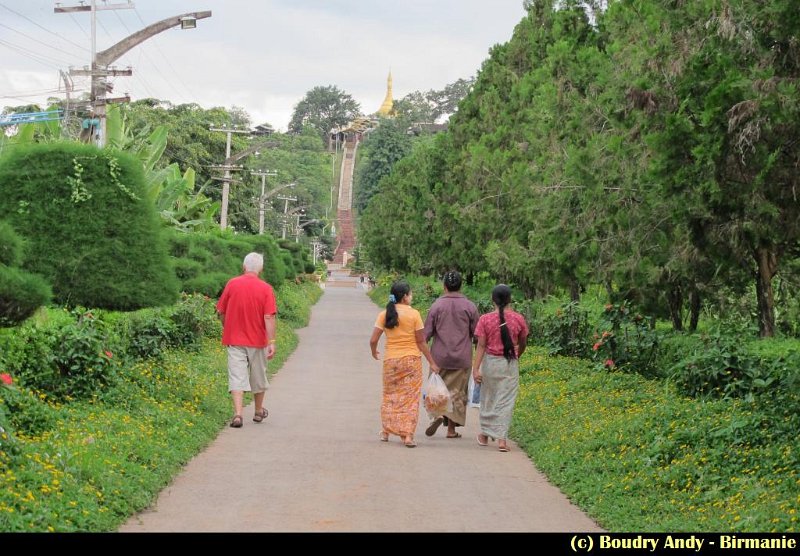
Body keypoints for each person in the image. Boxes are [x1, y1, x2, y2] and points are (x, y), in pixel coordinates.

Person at [370, 280, 440, 447]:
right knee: (410, 399)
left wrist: (374, 351)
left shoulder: (384, 314)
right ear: (404, 297)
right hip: (411, 361)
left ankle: (386, 432)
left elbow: (373, 339)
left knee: (390, 396)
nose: (412, 296)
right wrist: (431, 362)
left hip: (391, 361)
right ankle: (407, 435)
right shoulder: (414, 314)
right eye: (410, 293)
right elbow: (421, 342)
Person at [216, 252, 278, 428]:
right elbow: (269, 317)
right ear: (261, 269)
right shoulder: (266, 288)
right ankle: (258, 411)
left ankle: (237, 414)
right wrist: (272, 341)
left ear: (244, 267)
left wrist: (226, 326)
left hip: (234, 339)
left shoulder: (232, 284)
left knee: (236, 376)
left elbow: (221, 311)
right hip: (258, 341)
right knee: (258, 376)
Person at [423, 270, 479, 439]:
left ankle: (438, 415)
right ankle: (451, 430)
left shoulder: (437, 306)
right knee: (457, 393)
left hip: (439, 358)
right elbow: (477, 334)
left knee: (437, 390)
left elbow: (426, 334)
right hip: (462, 358)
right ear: (461, 286)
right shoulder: (469, 306)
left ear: (444, 286)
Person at [472, 284, 528, 452]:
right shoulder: (518, 319)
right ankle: (501, 439)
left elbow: (481, 346)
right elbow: (523, 342)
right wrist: (518, 355)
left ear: (492, 299)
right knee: (505, 401)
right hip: (509, 363)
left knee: (488, 399)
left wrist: (476, 369)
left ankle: (484, 434)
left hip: (490, 363)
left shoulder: (485, 319)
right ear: (510, 299)